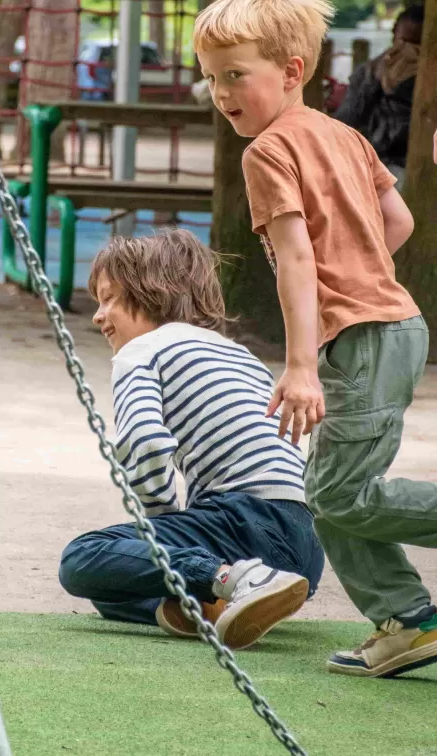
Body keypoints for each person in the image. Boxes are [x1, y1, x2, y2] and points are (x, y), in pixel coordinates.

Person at [193, 0, 437, 678]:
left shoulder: (268, 152)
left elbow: (296, 259)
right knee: (334, 493)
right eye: (212, 79)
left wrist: (300, 364)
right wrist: (358, 274)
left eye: (236, 75)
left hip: (360, 339)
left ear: (292, 70)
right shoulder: (345, 136)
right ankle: (408, 619)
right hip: (396, 327)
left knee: (336, 494)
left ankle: (407, 615)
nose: (222, 93)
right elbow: (400, 224)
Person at [58, 229, 324, 649]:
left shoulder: (142, 350)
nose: (98, 315)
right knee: (119, 584)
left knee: (84, 558)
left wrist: (160, 521)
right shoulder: (242, 357)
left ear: (151, 292)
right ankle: (223, 598)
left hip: (244, 522)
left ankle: (233, 578)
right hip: (307, 546)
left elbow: (142, 441)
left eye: (109, 298)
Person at [334, 4, 424, 187]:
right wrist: (372, 82)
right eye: (402, 42)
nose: (407, 51)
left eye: (416, 45)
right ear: (394, 38)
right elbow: (347, 120)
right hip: (376, 164)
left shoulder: (428, 81)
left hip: (419, 169)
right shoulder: (372, 71)